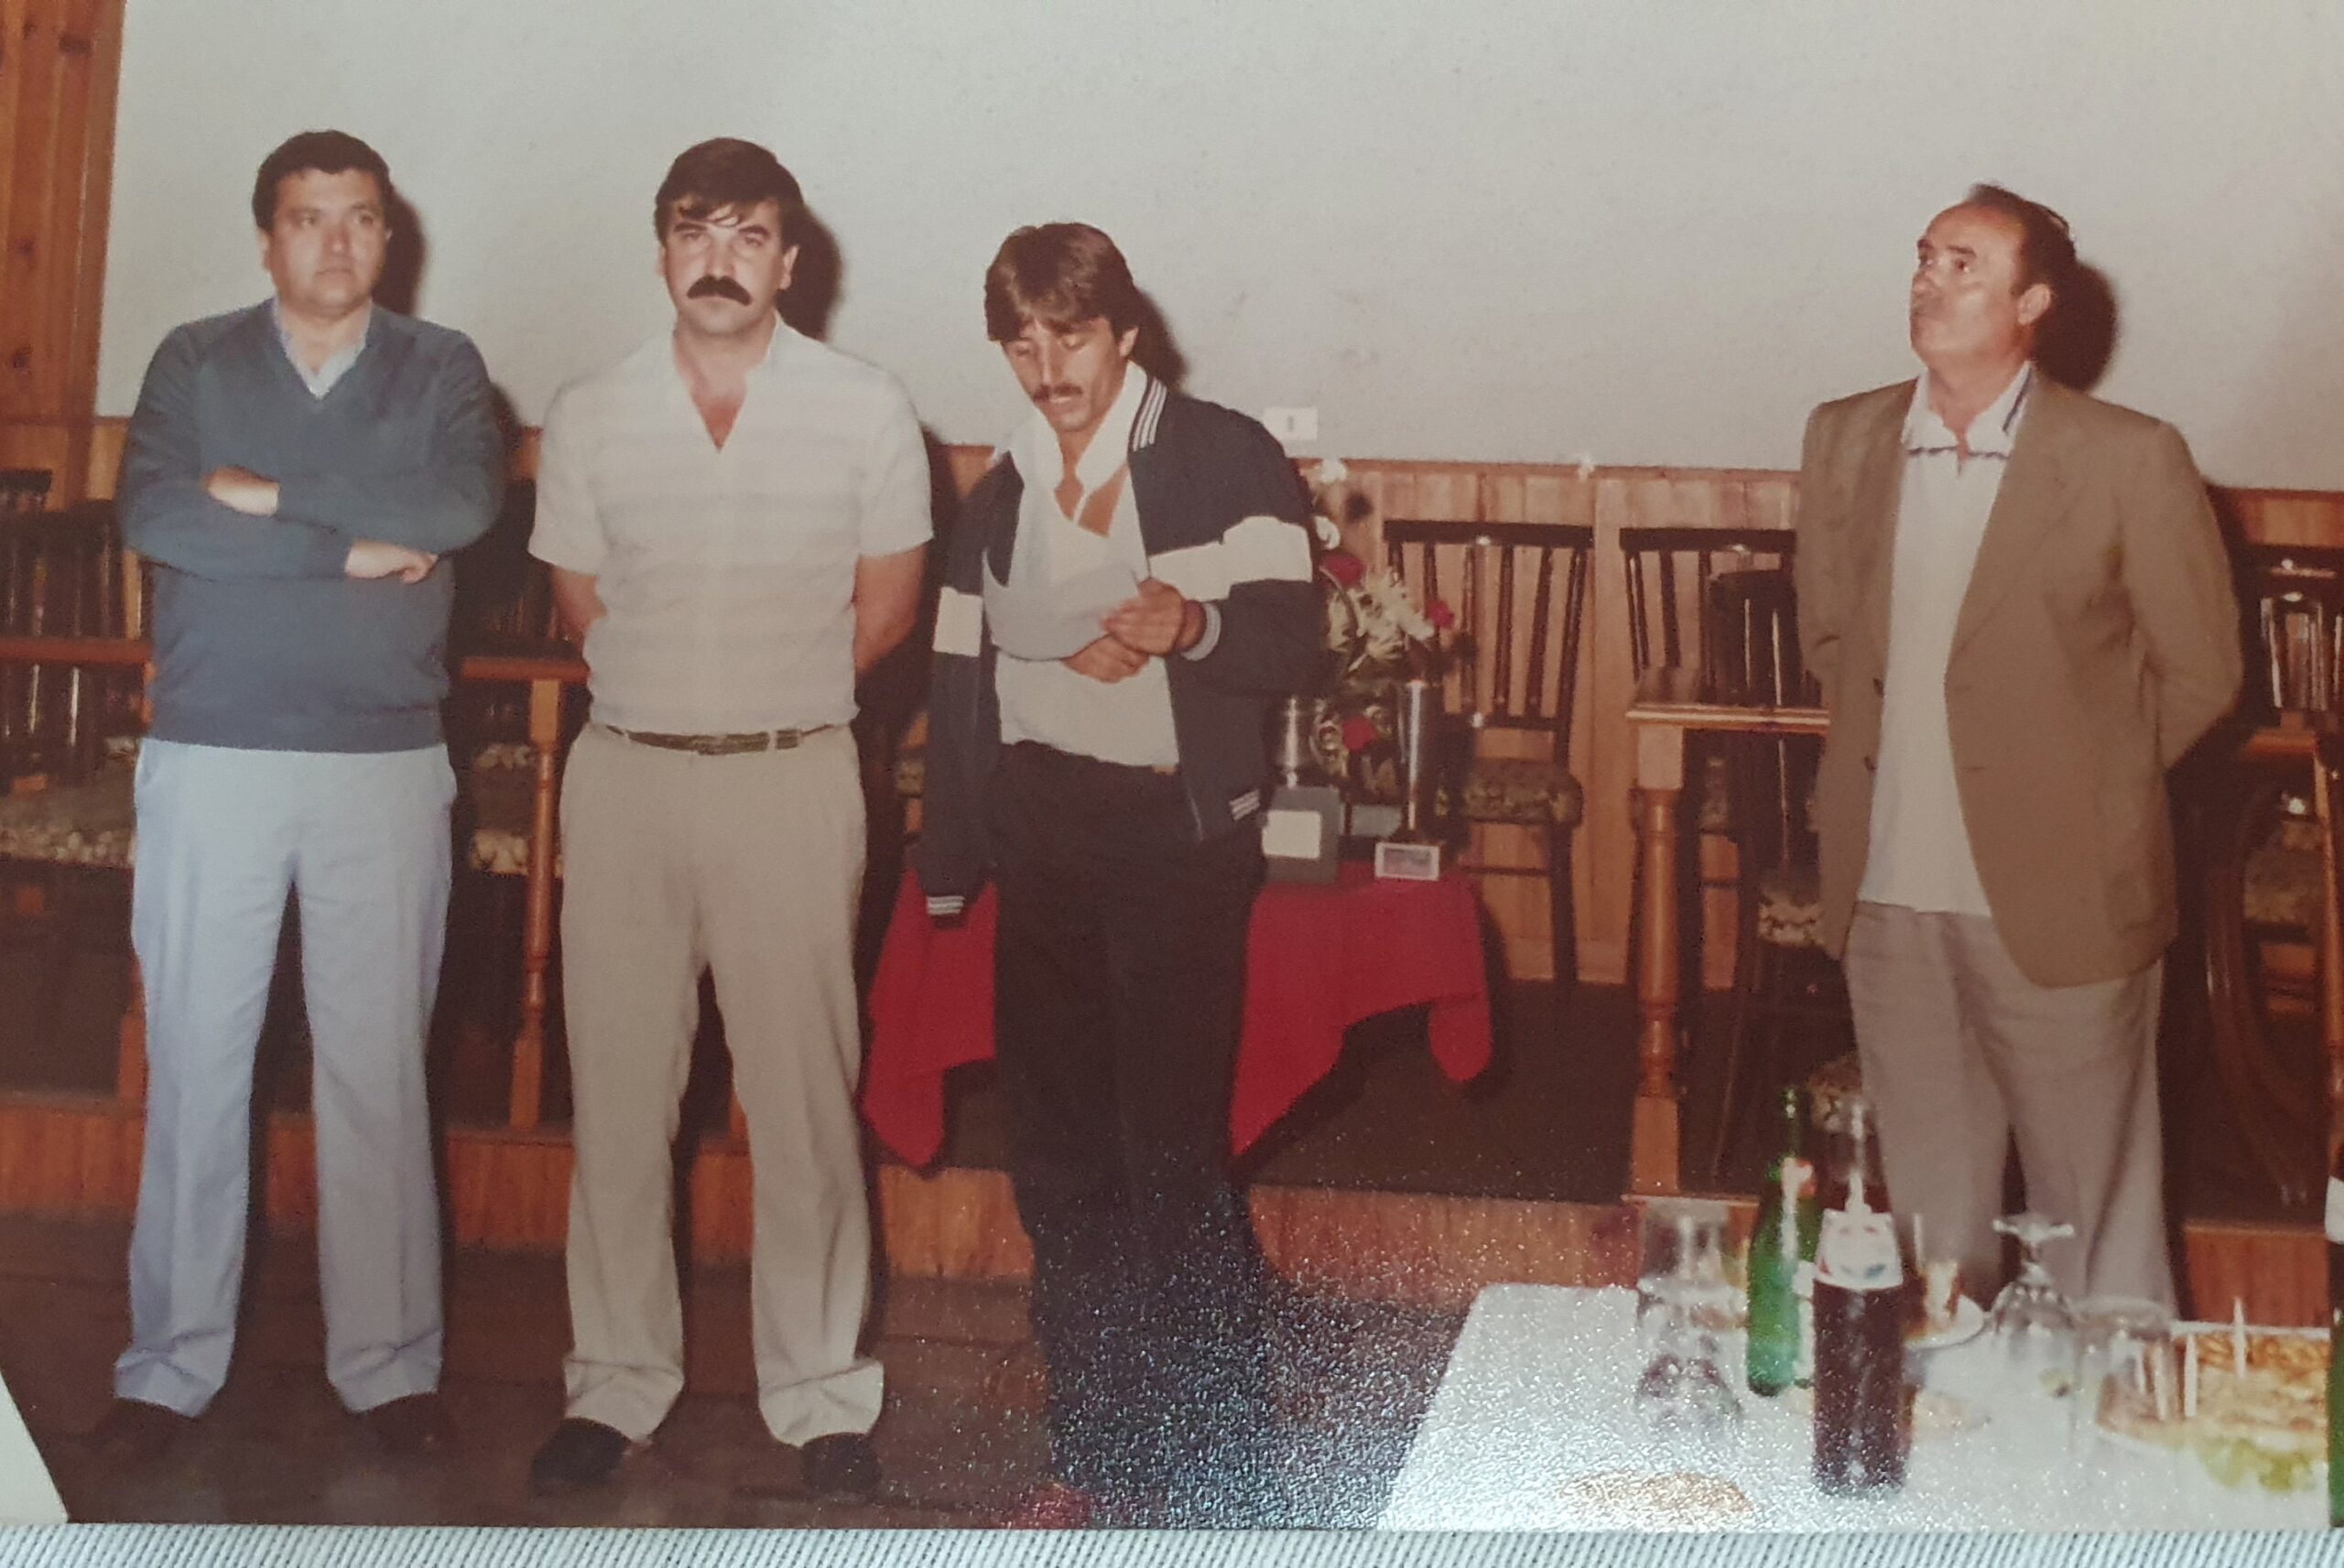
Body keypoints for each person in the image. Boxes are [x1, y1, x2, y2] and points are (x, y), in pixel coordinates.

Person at [524, 138, 929, 1497]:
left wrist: (766, 699)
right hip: (627, 778)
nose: (719, 259)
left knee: (803, 1100)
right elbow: (582, 601)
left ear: (789, 262)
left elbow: (887, 607)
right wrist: (671, 700)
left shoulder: (865, 406)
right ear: (662, 253)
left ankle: (820, 1397)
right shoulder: (592, 410)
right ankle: (614, 1383)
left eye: (748, 235)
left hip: (791, 775)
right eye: (695, 231)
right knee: (619, 1093)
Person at [96, 130, 502, 1462]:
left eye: (361, 217)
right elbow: (158, 515)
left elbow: (454, 507)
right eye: (308, 217)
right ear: (267, 237)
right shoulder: (193, 360)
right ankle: (168, 1367)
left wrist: (263, 499)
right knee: (196, 1065)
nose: (335, 241)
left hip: (382, 763)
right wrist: (344, 546)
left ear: (390, 235)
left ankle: (388, 1368)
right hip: (214, 753)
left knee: (378, 1071)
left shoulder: (442, 366)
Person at [917, 222, 1320, 1527]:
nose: (1049, 370)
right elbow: (958, 672)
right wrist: (952, 853)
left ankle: (1221, 1472)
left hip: (1171, 839)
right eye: (1022, 345)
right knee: (1057, 1164)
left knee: (1170, 1160)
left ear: (1125, 334)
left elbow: (1294, 635)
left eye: (1073, 338)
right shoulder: (999, 489)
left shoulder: (1223, 455)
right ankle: (1090, 1454)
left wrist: (1187, 625)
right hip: (1043, 832)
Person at [1795, 184, 2241, 1308]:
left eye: (1965, 266)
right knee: (1931, 1248)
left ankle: (2119, 1415)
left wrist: (2086, 792)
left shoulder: (2128, 456)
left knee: (2095, 1235)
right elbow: (1830, 641)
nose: (1930, 282)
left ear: (2032, 304)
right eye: (1925, 257)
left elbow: (2202, 672)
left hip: (2065, 899)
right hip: (1887, 893)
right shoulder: (1844, 437)